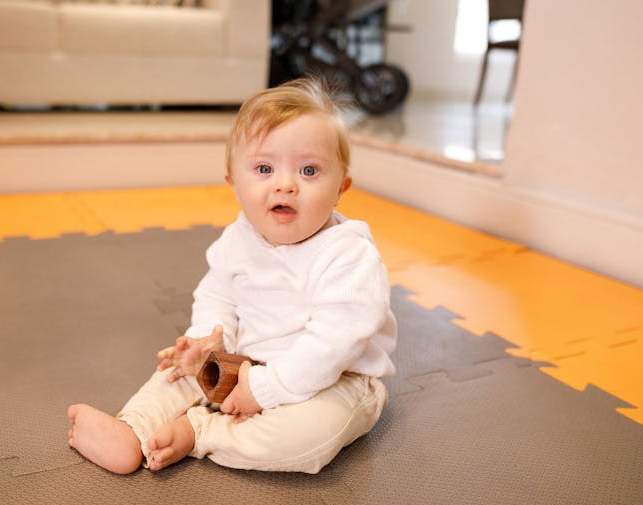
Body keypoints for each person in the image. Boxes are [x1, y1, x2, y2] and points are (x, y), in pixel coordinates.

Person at [67, 77, 397, 474]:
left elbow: (335, 341)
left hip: (336, 379)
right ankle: (133, 429)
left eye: (309, 170)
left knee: (312, 435)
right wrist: (207, 343)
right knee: (176, 375)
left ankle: (200, 432)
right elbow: (218, 294)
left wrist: (267, 388)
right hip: (246, 363)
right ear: (234, 183)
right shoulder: (238, 238)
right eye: (263, 168)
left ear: (341, 188)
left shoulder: (348, 255)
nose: (286, 184)